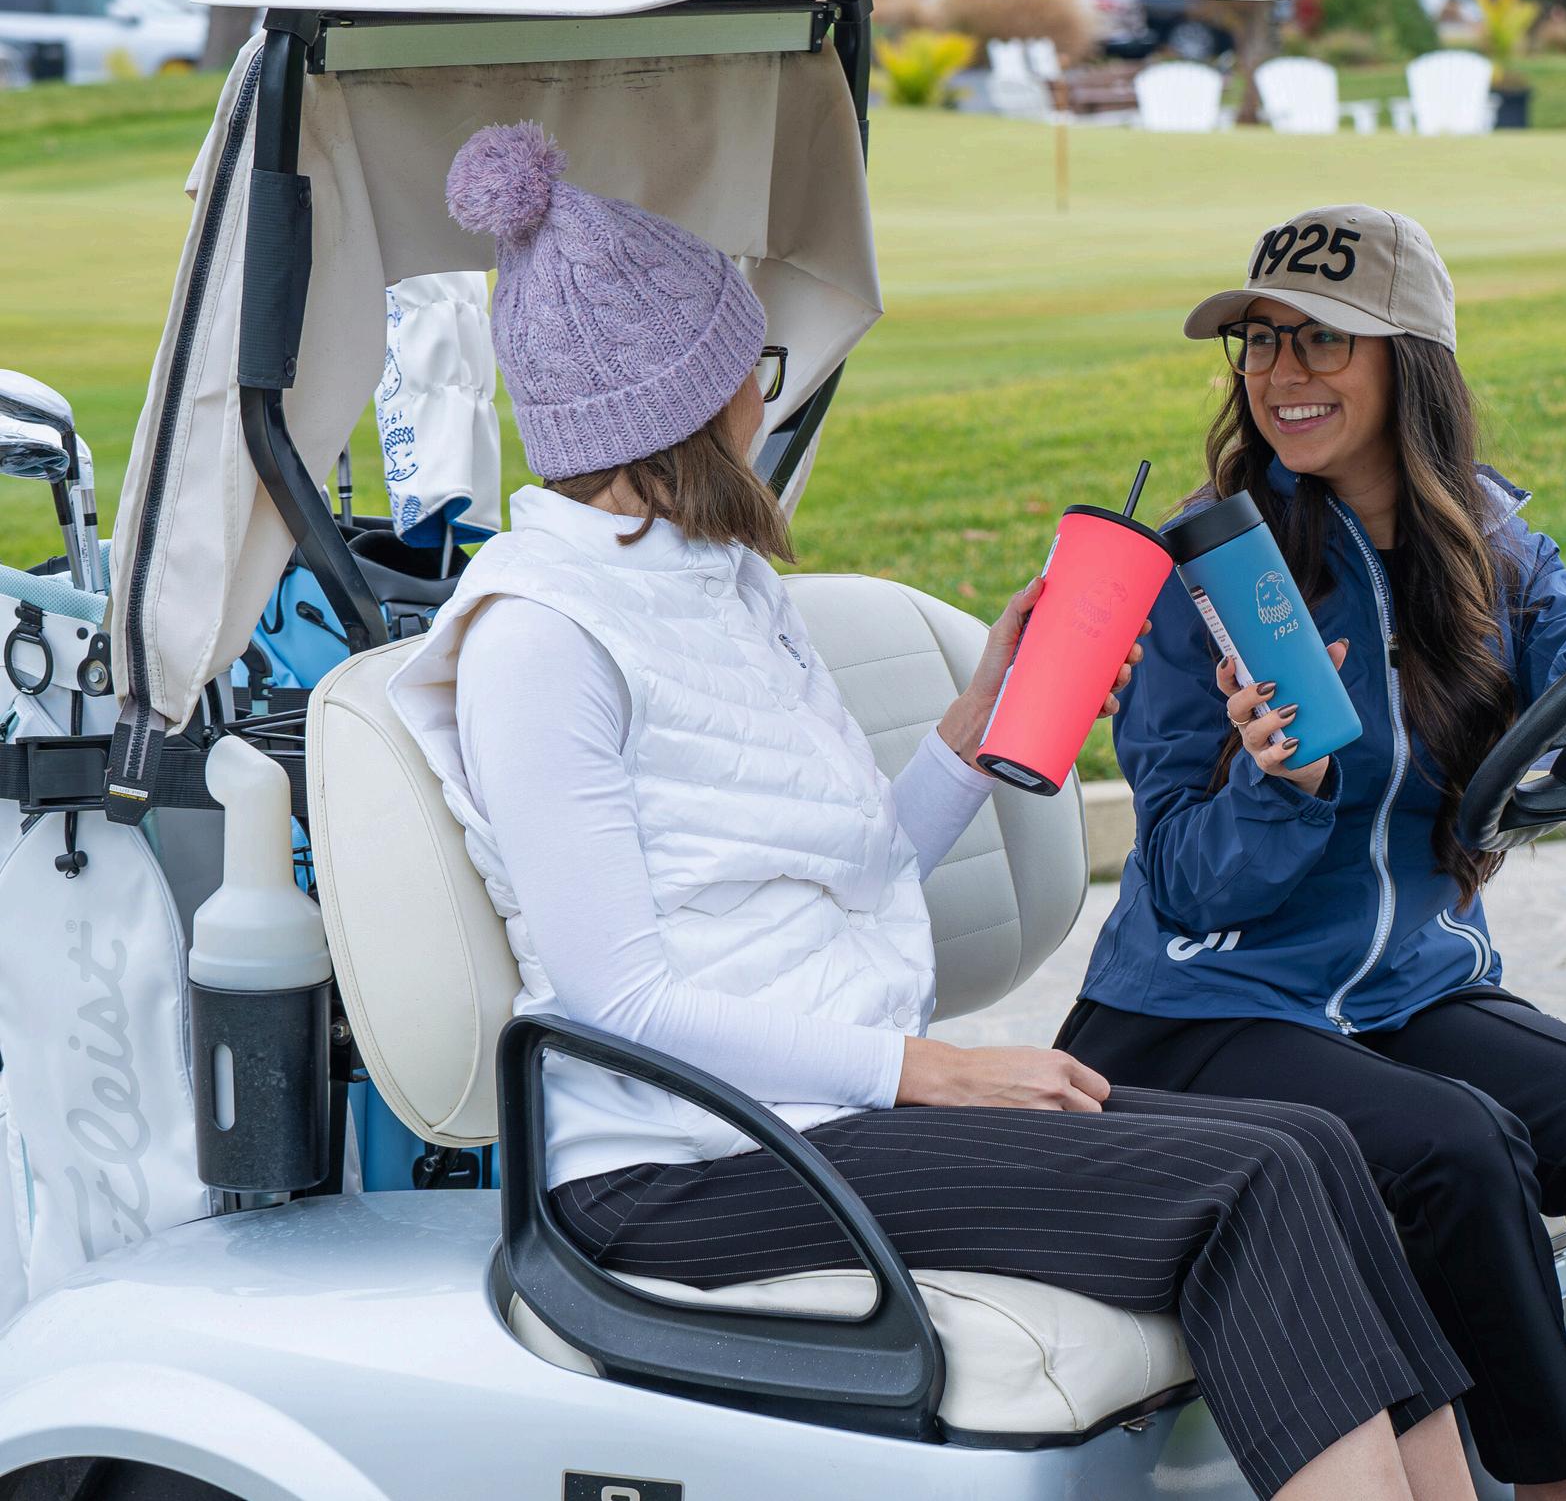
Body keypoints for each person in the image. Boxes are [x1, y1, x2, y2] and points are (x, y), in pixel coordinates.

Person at [389, 130, 1478, 1501]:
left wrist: (976, 728)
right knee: (1251, 1182)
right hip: (682, 1169)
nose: (762, 390)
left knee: (1312, 1146)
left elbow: (835, 873)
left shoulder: (715, 587)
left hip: (810, 1114)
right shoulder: (541, 638)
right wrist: (933, 1072)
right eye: (749, 363)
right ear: (688, 399)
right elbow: (627, 1004)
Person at [1058, 205, 1566, 1501]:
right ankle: (1546, 1490)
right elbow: (1179, 881)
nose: (1280, 374)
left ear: (1411, 363)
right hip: (1199, 1006)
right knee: (1460, 1150)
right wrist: (1281, 786)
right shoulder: (1213, 568)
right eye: (1259, 341)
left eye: (1321, 341)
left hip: (1402, 989)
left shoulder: (1490, 548)